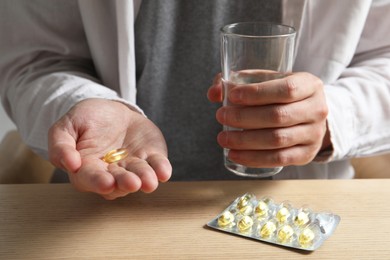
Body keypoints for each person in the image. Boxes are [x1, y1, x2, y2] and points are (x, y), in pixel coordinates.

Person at [1, 0, 389, 200]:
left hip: (291, 210)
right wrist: (81, 102)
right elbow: (34, 58)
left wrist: (334, 118)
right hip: (99, 210)